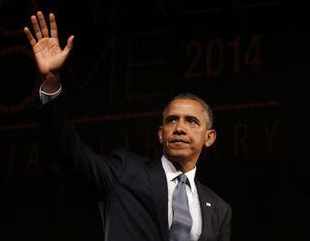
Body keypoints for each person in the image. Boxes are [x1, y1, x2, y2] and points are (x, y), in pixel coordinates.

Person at [24, 11, 232, 241]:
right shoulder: (125, 171)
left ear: (209, 137)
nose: (179, 128)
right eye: (171, 120)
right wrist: (51, 83)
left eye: (191, 121)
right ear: (161, 134)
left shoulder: (219, 210)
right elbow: (70, 152)